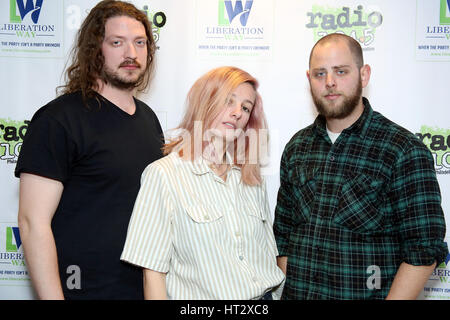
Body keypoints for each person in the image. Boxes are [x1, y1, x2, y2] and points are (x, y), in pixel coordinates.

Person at [274, 33, 448, 300]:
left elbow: (423, 249)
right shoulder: (297, 147)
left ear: (364, 75)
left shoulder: (402, 149)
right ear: (309, 80)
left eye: (340, 71)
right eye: (320, 74)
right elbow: (284, 235)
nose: (329, 82)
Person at [15, 0, 163, 300]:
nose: (131, 53)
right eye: (117, 42)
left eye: (140, 43)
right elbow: (32, 224)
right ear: (95, 49)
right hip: (81, 291)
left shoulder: (149, 119)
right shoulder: (58, 119)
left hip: (142, 290)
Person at [120, 66, 285, 300]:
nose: (237, 112)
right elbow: (153, 274)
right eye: (229, 101)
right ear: (205, 102)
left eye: (245, 108)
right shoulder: (164, 175)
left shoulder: (250, 177)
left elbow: (268, 257)